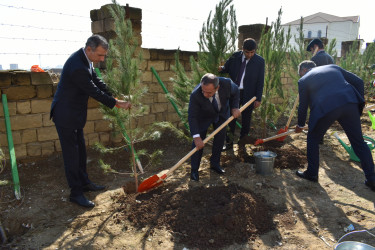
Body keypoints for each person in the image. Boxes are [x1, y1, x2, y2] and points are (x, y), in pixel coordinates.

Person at [50, 35, 132, 208]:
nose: (102, 59)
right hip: (66, 116)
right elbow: (93, 91)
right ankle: (76, 193)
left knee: (80, 151)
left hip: (75, 114)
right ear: (89, 49)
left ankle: (85, 182)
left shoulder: (86, 60)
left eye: (104, 56)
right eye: (100, 55)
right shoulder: (77, 66)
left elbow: (97, 81)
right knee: (72, 155)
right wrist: (117, 103)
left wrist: (115, 94)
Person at [294, 60, 375, 192]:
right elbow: (359, 81)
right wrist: (359, 105)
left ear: (303, 71)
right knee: (359, 142)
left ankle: (312, 173)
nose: (300, 76)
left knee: (313, 138)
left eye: (300, 73)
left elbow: (303, 106)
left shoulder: (303, 80)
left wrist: (300, 125)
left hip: (326, 108)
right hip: (350, 103)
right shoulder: (333, 67)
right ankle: (372, 179)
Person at [188, 73, 240, 181]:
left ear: (217, 88)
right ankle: (194, 170)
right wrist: (196, 137)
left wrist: (235, 107)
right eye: (203, 91)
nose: (205, 94)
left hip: (221, 114)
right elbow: (192, 117)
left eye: (209, 92)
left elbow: (236, 92)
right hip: (203, 117)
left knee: (220, 139)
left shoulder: (227, 84)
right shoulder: (195, 95)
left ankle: (215, 164)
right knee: (198, 143)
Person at [218, 38, 264, 150]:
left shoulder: (259, 61)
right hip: (233, 92)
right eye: (247, 52)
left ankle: (242, 142)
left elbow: (260, 81)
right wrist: (221, 68)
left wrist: (258, 98)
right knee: (231, 118)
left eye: (252, 52)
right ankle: (229, 143)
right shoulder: (235, 57)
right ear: (242, 49)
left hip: (249, 94)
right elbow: (226, 68)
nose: (250, 55)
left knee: (246, 119)